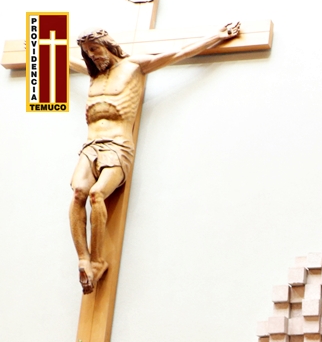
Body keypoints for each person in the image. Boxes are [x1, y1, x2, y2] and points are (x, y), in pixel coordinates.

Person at [68, 24, 240, 293]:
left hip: (117, 144)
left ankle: (98, 261)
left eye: (95, 48)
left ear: (107, 45)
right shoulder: (93, 76)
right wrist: (38, 49)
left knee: (96, 194)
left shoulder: (134, 66)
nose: (91, 55)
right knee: (79, 192)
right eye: (87, 52)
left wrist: (216, 37)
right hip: (90, 146)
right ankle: (83, 259)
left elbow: (180, 52)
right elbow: (61, 59)